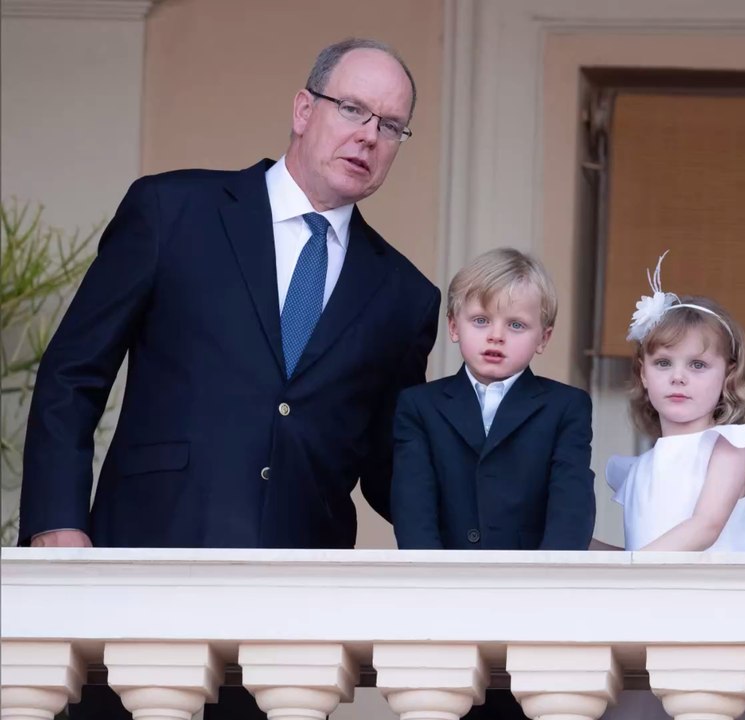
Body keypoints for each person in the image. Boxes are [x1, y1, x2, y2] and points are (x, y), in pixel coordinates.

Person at [20, 37, 439, 719]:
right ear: (304, 109)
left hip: (293, 622)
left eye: (390, 126)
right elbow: (73, 373)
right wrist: (56, 526)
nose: (369, 135)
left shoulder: (404, 295)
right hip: (140, 574)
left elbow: (391, 470)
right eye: (353, 110)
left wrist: (502, 493)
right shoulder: (172, 210)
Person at [598, 252, 745, 720]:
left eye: (698, 365)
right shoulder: (637, 468)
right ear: (643, 375)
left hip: (714, 622)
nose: (679, 376)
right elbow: (634, 547)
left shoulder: (730, 445)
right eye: (664, 362)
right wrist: (580, 548)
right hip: (650, 625)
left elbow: (705, 526)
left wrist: (629, 570)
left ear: (728, 375)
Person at [391, 247, 595, 550]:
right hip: (444, 582)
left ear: (543, 338)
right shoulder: (419, 407)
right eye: (480, 320)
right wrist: (431, 581)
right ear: (453, 326)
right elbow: (413, 508)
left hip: (531, 585)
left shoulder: (566, 407)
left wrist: (549, 583)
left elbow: (571, 506)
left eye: (516, 325)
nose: (496, 336)